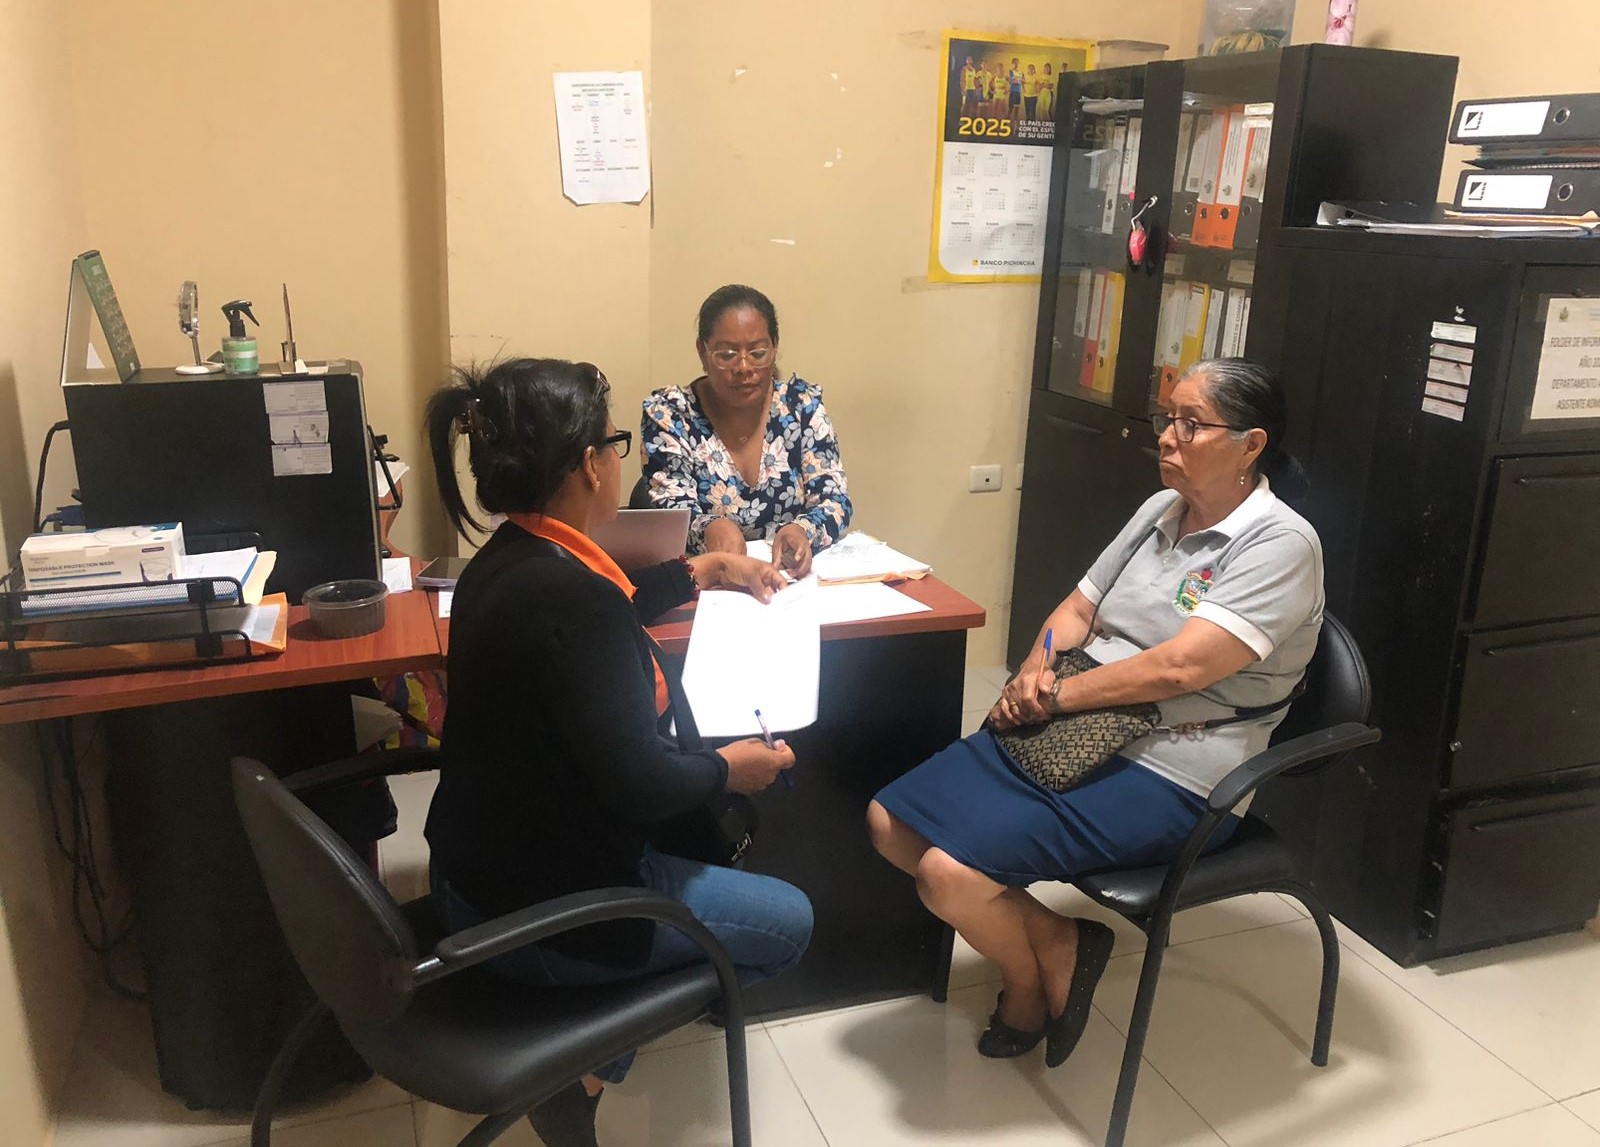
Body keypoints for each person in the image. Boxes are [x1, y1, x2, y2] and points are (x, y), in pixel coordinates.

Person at [867, 358, 1323, 1068]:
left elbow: (1181, 668)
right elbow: (1079, 608)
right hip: (1073, 726)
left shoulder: (1281, 545)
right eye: (1167, 417)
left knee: (949, 874)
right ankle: (1058, 942)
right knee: (889, 824)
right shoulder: (1160, 510)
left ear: (1251, 445)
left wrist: (1055, 697)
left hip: (1175, 768)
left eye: (1191, 424)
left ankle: (1030, 979)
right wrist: (1034, 669)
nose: (1166, 436)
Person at [423, 358, 814, 1147]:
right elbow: (643, 784)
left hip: (472, 887)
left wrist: (706, 570)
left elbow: (593, 619)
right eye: (614, 442)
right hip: (549, 919)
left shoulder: (505, 561)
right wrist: (733, 768)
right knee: (789, 924)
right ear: (588, 465)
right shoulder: (574, 600)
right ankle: (585, 1067)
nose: (617, 456)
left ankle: (584, 1048)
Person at [641, 284, 853, 578]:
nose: (743, 367)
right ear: (702, 351)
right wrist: (710, 528)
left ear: (774, 348)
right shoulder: (671, 414)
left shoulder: (802, 406)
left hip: (789, 581)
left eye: (757, 353)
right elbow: (671, 512)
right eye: (726, 355)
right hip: (708, 584)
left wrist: (802, 529)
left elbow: (834, 499)